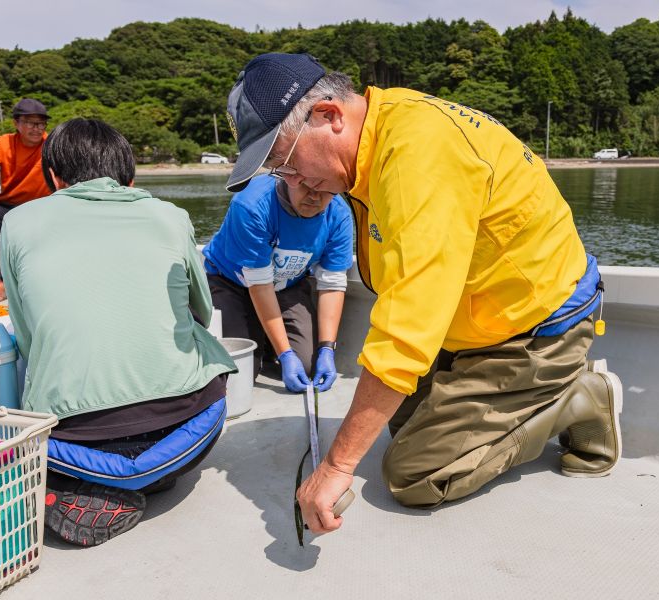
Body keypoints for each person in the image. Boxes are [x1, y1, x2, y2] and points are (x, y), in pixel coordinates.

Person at [223, 53, 625, 535]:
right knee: (399, 426)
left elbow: (406, 329)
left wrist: (334, 468)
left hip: (535, 329)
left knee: (417, 473)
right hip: (472, 327)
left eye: (285, 163)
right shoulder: (377, 134)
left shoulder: (419, 155)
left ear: (329, 116)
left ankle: (578, 393)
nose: (294, 183)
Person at [1, 118, 237, 547]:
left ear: (53, 177)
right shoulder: (170, 215)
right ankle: (152, 476)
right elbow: (203, 312)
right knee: (213, 376)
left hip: (73, 443)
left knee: (37, 415)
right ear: (128, 178)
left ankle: (93, 486)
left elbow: (27, 338)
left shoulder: (17, 223)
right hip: (188, 426)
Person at [203, 173, 352, 393]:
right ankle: (262, 341)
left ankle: (266, 338)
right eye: (307, 186)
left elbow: (332, 283)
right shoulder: (251, 205)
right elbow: (260, 286)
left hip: (287, 284)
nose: (314, 197)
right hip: (231, 281)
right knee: (240, 372)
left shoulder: (339, 215)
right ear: (287, 177)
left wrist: (327, 348)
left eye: (325, 189)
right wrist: (285, 354)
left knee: (307, 364)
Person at [0, 98, 51, 303]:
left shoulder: (52, 144)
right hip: (7, 206)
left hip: (41, 208)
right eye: (30, 122)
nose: (36, 128)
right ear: (16, 123)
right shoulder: (2, 143)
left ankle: (4, 283)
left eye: (41, 123)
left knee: (14, 226)